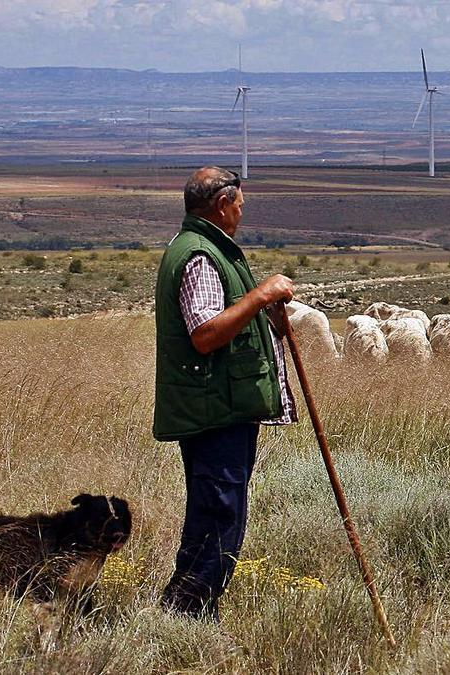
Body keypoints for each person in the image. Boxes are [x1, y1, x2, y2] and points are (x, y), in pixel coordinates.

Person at [153, 166, 297, 620]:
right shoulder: (200, 255)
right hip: (214, 409)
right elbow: (205, 333)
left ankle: (185, 607)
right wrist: (259, 296)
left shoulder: (207, 248)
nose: (241, 210)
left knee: (215, 513)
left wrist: (265, 317)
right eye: (239, 203)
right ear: (222, 204)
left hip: (219, 404)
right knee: (219, 515)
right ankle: (189, 612)